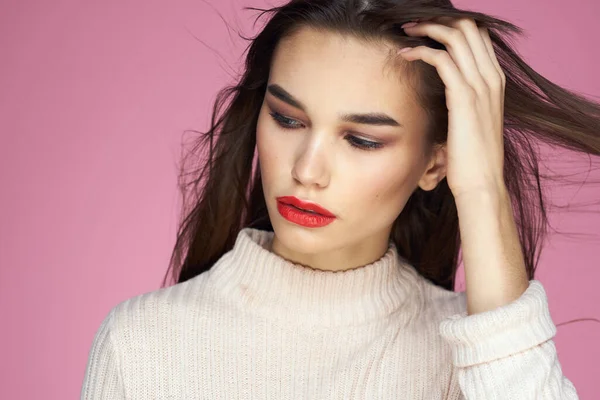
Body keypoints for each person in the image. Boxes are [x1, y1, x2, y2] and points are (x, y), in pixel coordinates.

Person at [81, 0, 600, 398]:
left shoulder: (476, 359)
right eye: (287, 119)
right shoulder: (141, 344)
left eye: (362, 139)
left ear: (436, 163)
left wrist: (484, 188)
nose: (306, 170)